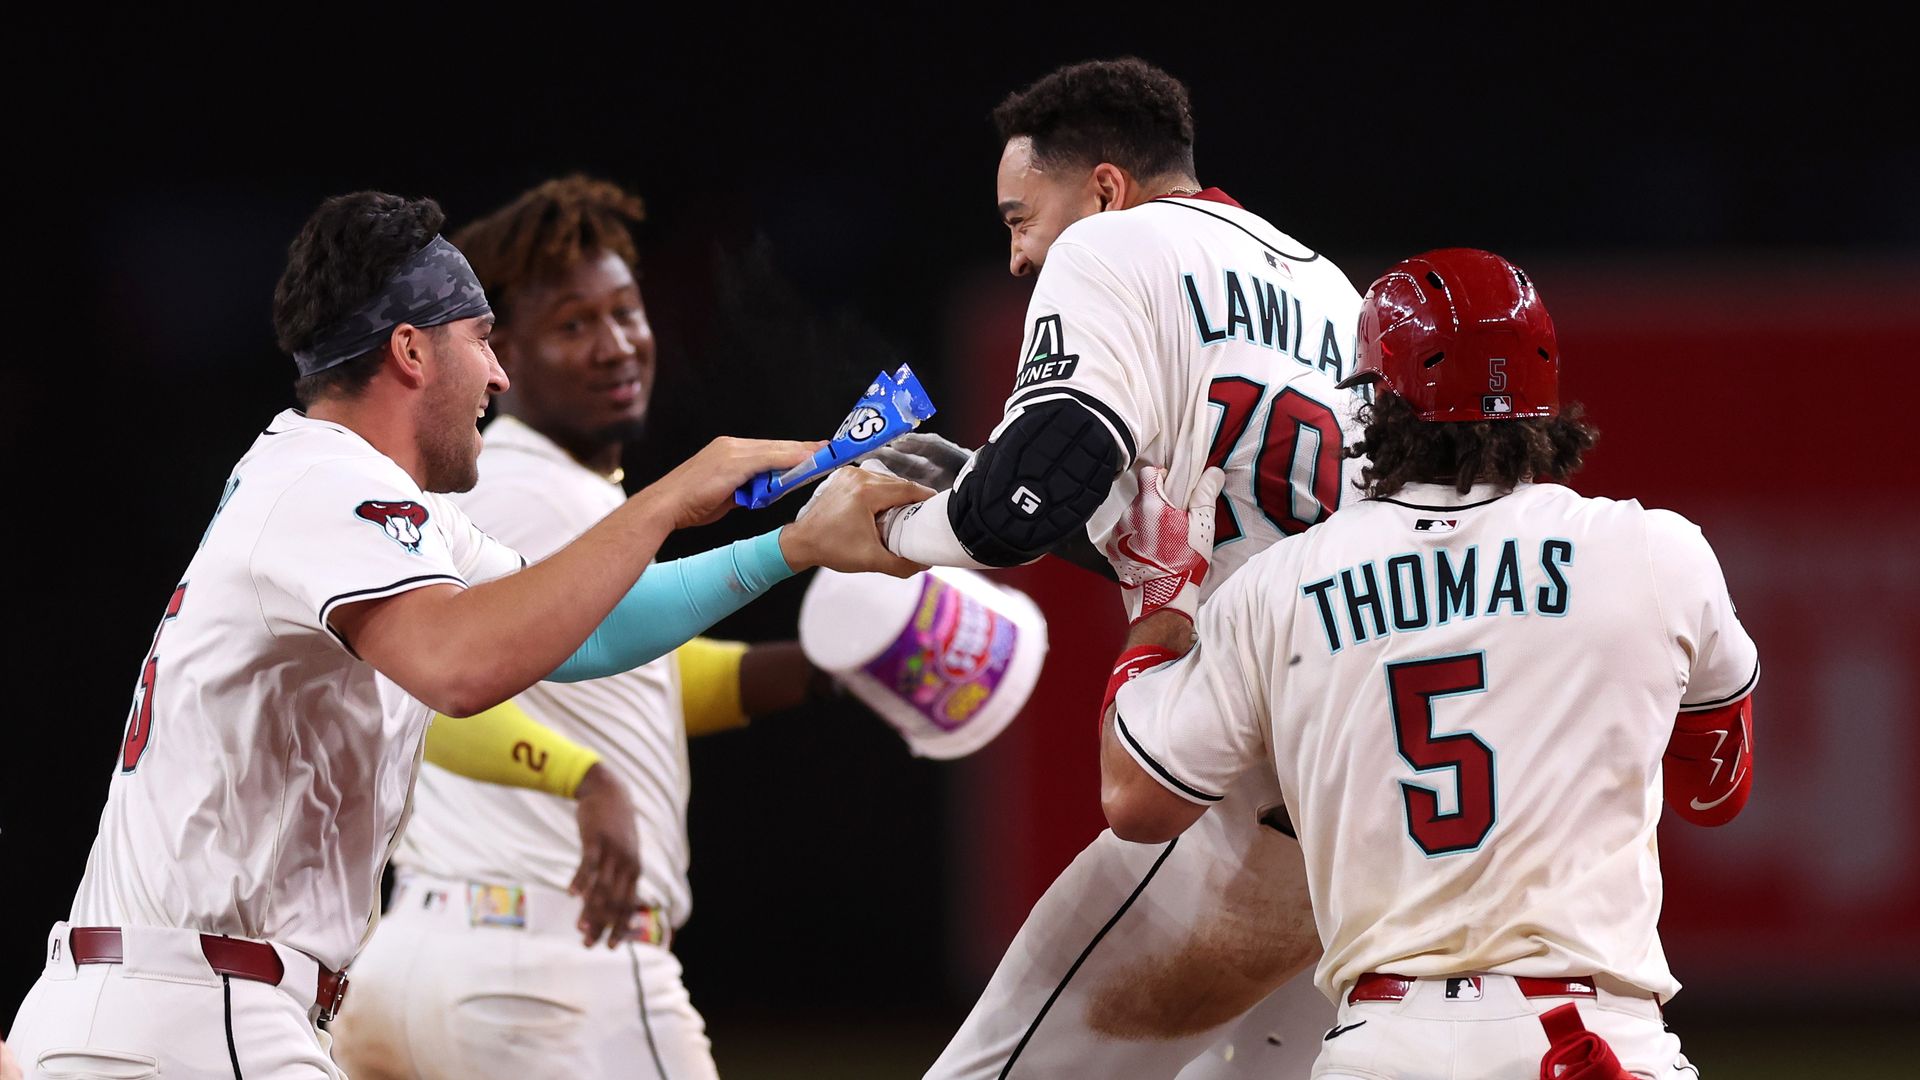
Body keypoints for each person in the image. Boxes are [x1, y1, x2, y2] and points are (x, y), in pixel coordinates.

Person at [5, 191, 926, 1079]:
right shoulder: (326, 483)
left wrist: (790, 546)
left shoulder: (353, 496)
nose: (499, 373)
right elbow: (458, 670)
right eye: (482, 338)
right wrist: (667, 499)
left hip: (164, 1001)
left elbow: (591, 637)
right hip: (204, 1014)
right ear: (410, 350)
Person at [1098, 248, 1758, 1079]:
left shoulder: (1283, 583)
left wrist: (1159, 606)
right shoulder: (1654, 551)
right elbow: (1714, 793)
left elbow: (1135, 800)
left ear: (1375, 401)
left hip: (1384, 1042)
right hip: (1588, 1038)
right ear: (1543, 400)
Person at [873, 57, 1363, 1078]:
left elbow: (1030, 493)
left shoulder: (1111, 246)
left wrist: (896, 538)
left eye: (1020, 217)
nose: (1016, 255)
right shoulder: (1331, 289)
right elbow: (1220, 536)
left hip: (1238, 781)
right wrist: (977, 479)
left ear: (1102, 186)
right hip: (1363, 794)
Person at [332, 177, 840, 1079]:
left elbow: (620, 671)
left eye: (624, 311)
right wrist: (583, 777)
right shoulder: (526, 489)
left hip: (421, 964)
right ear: (502, 356)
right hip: (553, 976)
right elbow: (427, 685)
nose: (616, 345)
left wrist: (819, 667)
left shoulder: (536, 491)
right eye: (573, 324)